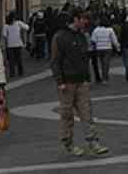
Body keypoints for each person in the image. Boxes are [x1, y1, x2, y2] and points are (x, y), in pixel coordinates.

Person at [51, 9, 109, 156]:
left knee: (87, 112)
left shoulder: (82, 36)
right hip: (67, 82)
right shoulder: (60, 37)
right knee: (67, 114)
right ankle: (68, 143)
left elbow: (85, 58)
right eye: (83, 19)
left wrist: (87, 78)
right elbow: (55, 61)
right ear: (75, 19)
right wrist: (60, 81)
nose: (86, 22)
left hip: (81, 80)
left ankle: (93, 141)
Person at [89, 18, 120, 83]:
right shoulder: (110, 30)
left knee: (101, 62)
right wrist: (117, 47)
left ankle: (103, 75)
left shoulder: (96, 30)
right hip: (108, 48)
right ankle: (105, 77)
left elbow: (93, 40)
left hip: (99, 48)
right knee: (106, 63)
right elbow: (114, 39)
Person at [3, 13, 29, 78]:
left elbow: (5, 36)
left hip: (10, 45)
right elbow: (27, 27)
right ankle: (20, 72)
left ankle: (12, 73)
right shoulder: (18, 23)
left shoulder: (6, 26)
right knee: (19, 58)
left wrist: (5, 45)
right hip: (18, 44)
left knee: (11, 60)